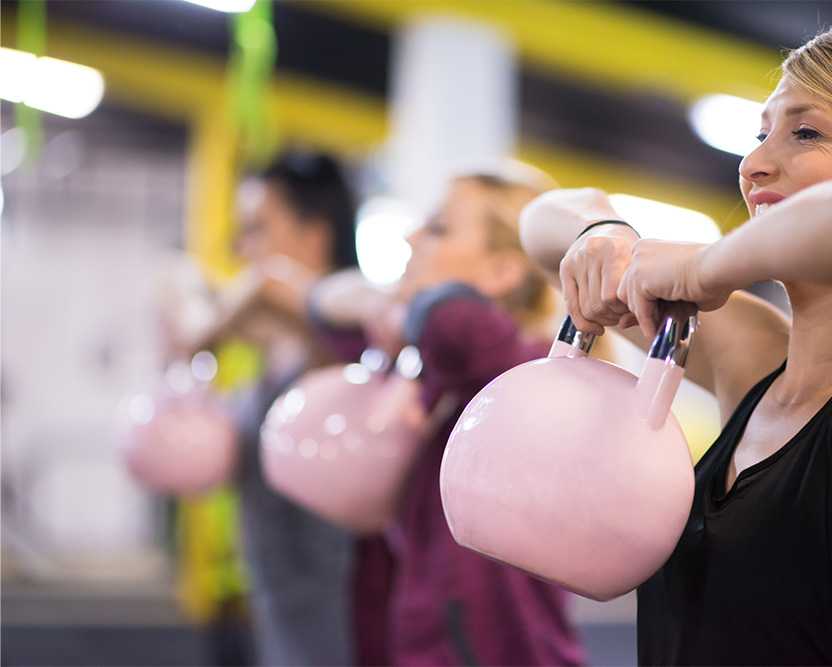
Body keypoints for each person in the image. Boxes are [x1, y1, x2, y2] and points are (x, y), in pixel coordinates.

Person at [519, 26, 832, 666]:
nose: (753, 164)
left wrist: (706, 267)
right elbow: (541, 222)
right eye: (760, 134)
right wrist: (605, 233)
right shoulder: (756, 361)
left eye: (806, 133)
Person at [310, 166, 588, 666]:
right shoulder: (429, 363)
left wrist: (405, 308)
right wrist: (387, 305)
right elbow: (323, 303)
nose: (411, 237)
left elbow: (450, 321)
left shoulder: (518, 363)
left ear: (503, 271)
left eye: (438, 228)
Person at [189, 150, 390, 666]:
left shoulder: (355, 342)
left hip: (346, 631)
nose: (241, 246)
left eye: (257, 228)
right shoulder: (273, 353)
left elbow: (270, 284)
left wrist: (206, 330)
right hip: (281, 623)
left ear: (315, 235)